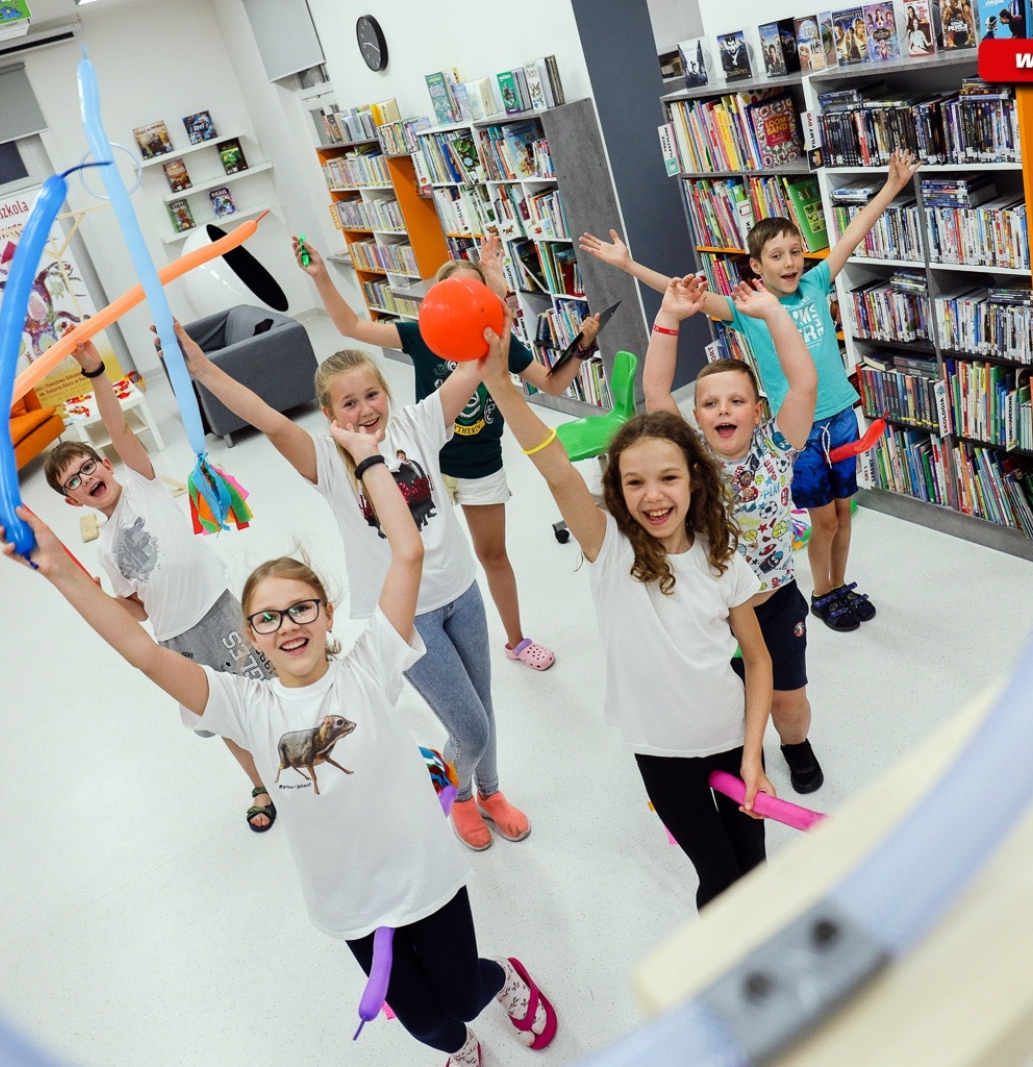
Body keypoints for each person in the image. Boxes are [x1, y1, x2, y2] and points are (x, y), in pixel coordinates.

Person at [0, 421, 556, 1067]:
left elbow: (406, 553)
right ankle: (460, 1047)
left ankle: (503, 977)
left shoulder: (371, 660)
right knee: (429, 1025)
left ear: (325, 612)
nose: (287, 624)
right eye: (268, 616)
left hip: (424, 876)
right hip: (349, 902)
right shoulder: (245, 702)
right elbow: (142, 652)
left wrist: (368, 456)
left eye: (301, 608)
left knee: (460, 993)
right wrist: (61, 571)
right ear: (251, 635)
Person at [162, 320, 532, 853]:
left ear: (388, 392)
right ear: (331, 416)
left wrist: (489, 304)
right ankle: (459, 796)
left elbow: (474, 362)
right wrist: (200, 369)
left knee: (483, 706)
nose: (365, 411)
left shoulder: (419, 423)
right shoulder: (327, 464)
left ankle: (490, 792)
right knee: (469, 729)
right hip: (408, 618)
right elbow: (264, 416)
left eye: (372, 394)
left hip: (462, 590)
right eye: (349, 404)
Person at [475, 328, 777, 910]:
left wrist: (753, 752)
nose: (652, 496)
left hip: (731, 736)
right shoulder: (610, 549)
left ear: (694, 477)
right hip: (663, 754)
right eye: (634, 482)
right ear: (616, 490)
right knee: (718, 878)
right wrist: (500, 384)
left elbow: (758, 660)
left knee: (755, 867)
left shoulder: (724, 560)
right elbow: (556, 467)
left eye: (668, 478)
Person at [579, 147, 922, 633]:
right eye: (776, 255)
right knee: (822, 520)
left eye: (795, 251)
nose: (790, 262)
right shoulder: (747, 306)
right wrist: (630, 266)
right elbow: (685, 297)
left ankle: (839, 583)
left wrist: (890, 186)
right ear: (756, 267)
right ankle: (822, 592)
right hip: (796, 432)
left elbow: (852, 233)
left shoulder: (817, 282)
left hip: (841, 413)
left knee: (845, 512)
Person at [295, 235, 598, 674]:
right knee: (406, 551)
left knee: (493, 556)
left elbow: (551, 384)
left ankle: (517, 640)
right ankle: (409, 640)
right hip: (425, 467)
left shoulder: (497, 344)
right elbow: (350, 327)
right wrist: (322, 276)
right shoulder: (422, 334)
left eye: (473, 293)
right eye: (453, 292)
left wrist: (582, 348)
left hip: (479, 465)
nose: (462, 302)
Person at [42, 327, 277, 833]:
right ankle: (260, 783)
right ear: (71, 502)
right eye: (74, 483)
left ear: (106, 463)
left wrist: (95, 372)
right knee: (220, 713)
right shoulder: (105, 549)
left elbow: (119, 429)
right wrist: (102, 600)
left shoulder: (142, 486)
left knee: (266, 686)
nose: (86, 480)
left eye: (88, 467)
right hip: (177, 639)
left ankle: (299, 751)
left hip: (220, 609)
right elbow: (138, 609)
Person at [640, 275, 826, 795]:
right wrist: (670, 318)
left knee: (788, 700)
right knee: (725, 702)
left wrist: (773, 312)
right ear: (696, 415)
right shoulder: (690, 457)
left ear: (759, 411)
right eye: (711, 403)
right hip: (713, 609)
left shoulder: (777, 445)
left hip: (775, 602)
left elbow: (804, 383)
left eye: (737, 401)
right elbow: (656, 388)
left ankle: (795, 745)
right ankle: (743, 755)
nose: (724, 410)